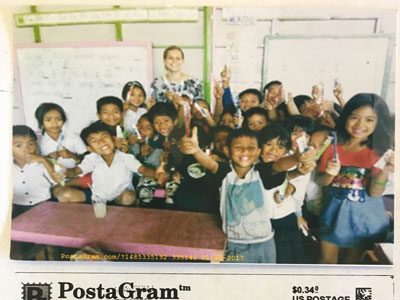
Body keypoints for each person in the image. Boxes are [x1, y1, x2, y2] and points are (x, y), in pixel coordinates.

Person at [180, 127, 315, 263]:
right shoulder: (224, 173)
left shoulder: (261, 172)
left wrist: (297, 157)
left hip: (266, 243)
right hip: (235, 244)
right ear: (227, 151)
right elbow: (210, 164)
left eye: (251, 148)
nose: (245, 151)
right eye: (239, 147)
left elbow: (279, 164)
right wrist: (196, 151)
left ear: (258, 152)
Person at [318, 93, 394, 264]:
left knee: (351, 265)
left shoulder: (379, 152)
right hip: (332, 214)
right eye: (354, 117)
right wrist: (330, 173)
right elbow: (322, 182)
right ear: (345, 118)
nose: (360, 124)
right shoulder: (332, 146)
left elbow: (375, 192)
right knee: (326, 260)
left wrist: (385, 170)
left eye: (369, 120)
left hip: (364, 219)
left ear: (378, 122)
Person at [66, 122, 164, 206]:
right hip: (99, 201)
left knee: (129, 196)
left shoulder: (125, 157)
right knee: (65, 194)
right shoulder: (91, 159)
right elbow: (77, 170)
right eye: (94, 141)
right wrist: (65, 173)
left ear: (113, 139)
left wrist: (157, 174)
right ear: (90, 149)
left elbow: (142, 170)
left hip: (121, 200)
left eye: (104, 137)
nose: (101, 142)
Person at [259, 124, 315, 263]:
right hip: (268, 224)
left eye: (280, 147)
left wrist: (297, 173)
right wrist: (297, 157)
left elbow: (283, 176)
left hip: (288, 219)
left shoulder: (282, 168)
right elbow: (276, 168)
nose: (274, 150)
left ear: (285, 151)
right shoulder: (256, 166)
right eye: (268, 144)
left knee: (295, 260)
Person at [34, 102, 87, 203]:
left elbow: (87, 160)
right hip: (51, 182)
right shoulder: (37, 141)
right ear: (41, 122)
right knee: (64, 195)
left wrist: (72, 155)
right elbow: (33, 162)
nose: (54, 123)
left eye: (58, 119)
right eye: (48, 120)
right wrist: (46, 158)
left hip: (74, 178)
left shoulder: (73, 138)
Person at [12, 125, 64, 218]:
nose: (27, 149)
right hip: (18, 207)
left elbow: (58, 180)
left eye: (31, 144)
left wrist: (43, 160)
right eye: (18, 145)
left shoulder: (44, 163)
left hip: (45, 204)